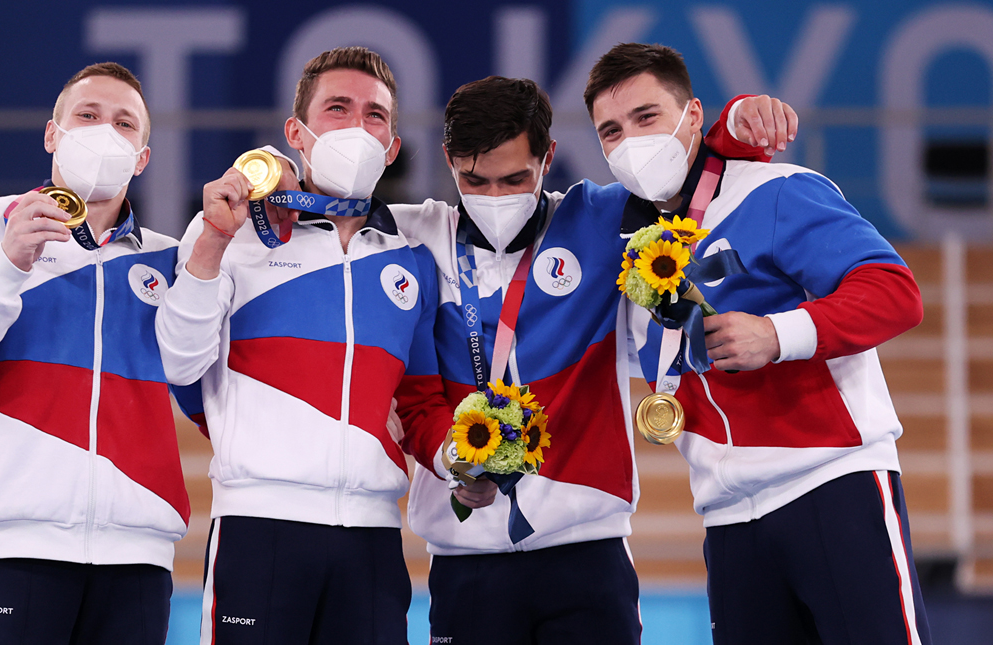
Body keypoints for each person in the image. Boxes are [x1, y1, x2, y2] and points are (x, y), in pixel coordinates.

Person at [389, 75, 794, 643]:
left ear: (548, 157)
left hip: (588, 557)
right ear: (448, 160)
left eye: (516, 178)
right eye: (474, 180)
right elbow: (320, 210)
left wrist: (735, 123)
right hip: (466, 562)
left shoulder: (599, 220)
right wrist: (270, 171)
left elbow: (682, 172)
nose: (497, 198)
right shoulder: (409, 237)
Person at [586, 43, 929, 644]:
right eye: (611, 131)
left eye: (647, 117)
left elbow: (895, 292)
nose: (631, 143)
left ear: (694, 115)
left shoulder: (776, 191)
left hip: (830, 484)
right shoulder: (623, 242)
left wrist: (778, 334)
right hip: (727, 520)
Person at [0, 62, 189, 645]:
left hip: (139, 561)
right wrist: (4, 267)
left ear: (143, 157)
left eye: (125, 123)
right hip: (13, 549)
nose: (105, 132)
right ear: (52, 134)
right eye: (88, 115)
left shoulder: (172, 261)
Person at [154, 46, 437, 644]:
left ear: (392, 146)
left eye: (375, 116)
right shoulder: (232, 231)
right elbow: (178, 361)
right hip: (259, 529)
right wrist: (212, 240)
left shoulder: (411, 253)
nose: (357, 128)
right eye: (338, 108)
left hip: (374, 540)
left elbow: (418, 401)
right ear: (296, 133)